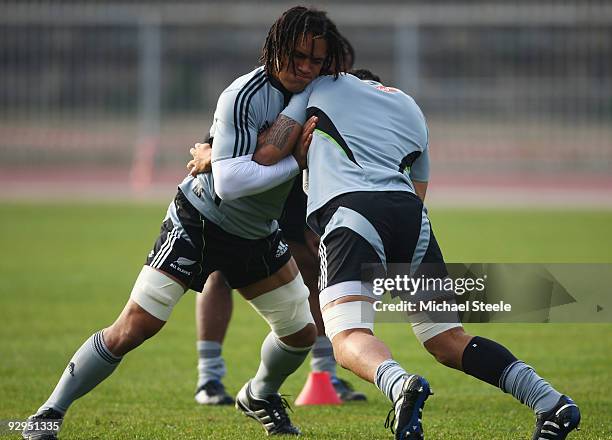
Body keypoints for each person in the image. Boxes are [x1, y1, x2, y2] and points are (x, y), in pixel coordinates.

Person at [22, 6, 346, 439]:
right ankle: (48, 412)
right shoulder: (242, 95)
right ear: (275, 50)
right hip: (202, 220)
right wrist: (296, 161)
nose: (305, 68)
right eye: (297, 57)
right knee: (136, 326)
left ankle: (259, 395)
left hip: (257, 232)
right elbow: (229, 184)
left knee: (300, 333)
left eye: (315, 60)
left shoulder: (324, 89)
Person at [256, 69, 581, 439]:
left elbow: (266, 154)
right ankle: (551, 402)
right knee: (447, 339)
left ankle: (399, 385)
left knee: (346, 338)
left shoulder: (322, 92)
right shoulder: (407, 106)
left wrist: (213, 156)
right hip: (411, 218)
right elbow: (419, 188)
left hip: (352, 216)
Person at [189, 36, 366, 407]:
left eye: (326, 64)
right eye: (315, 62)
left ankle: (327, 374)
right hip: (260, 196)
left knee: (320, 271)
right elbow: (225, 153)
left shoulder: (354, 93)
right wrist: (209, 156)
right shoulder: (264, 93)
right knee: (217, 273)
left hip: (309, 190)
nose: (319, 70)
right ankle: (209, 378)